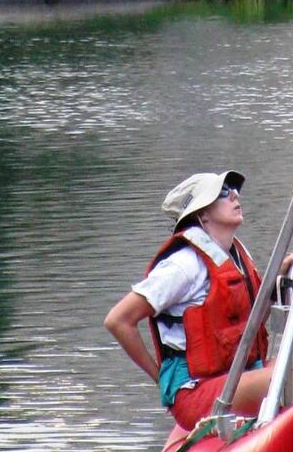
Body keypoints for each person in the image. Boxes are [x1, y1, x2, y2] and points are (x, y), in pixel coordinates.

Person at [104, 170, 274, 431]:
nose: (235, 195)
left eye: (235, 190)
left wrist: (279, 275)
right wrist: (159, 379)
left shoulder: (235, 254)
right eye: (223, 192)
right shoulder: (183, 265)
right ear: (202, 213)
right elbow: (118, 320)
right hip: (197, 390)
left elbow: (251, 322)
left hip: (236, 377)